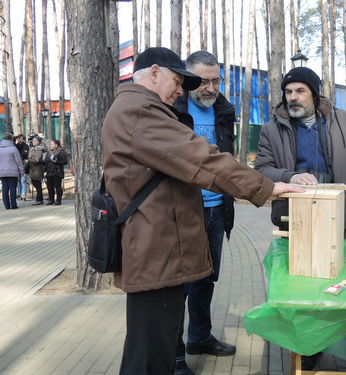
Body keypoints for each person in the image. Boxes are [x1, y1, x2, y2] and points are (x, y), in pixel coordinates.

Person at [102, 47, 302, 375]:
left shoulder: (137, 107)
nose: (181, 90)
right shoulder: (141, 111)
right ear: (154, 73)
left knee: (151, 344)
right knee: (151, 350)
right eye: (177, 81)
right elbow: (200, 158)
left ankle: (194, 342)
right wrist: (266, 187)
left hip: (158, 243)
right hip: (156, 246)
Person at [254, 67, 346, 373]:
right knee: (307, 293)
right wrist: (290, 176)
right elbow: (262, 169)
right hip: (296, 223)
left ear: (314, 95)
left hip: (340, 220)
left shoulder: (344, 122)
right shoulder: (271, 129)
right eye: (288, 92)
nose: (293, 98)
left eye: (300, 91)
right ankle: (309, 349)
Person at [173, 51, 236, 375]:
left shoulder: (225, 110)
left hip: (215, 211)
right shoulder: (174, 108)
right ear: (188, 80)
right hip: (183, 212)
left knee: (206, 280)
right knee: (180, 285)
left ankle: (199, 337)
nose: (210, 88)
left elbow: (228, 160)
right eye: (204, 81)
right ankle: (175, 356)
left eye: (216, 80)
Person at [0, 132, 24, 209]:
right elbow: (19, 162)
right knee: (13, 188)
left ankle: (7, 205)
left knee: (4, 188)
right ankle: (14, 205)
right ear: (11, 139)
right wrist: (21, 171)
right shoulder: (13, 148)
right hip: (13, 172)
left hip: (2, 172)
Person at [44, 139, 68, 205]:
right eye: (50, 144)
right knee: (49, 187)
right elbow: (45, 162)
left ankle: (58, 200)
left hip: (57, 172)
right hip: (49, 172)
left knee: (57, 187)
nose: (50, 146)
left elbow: (65, 161)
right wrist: (45, 171)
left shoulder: (60, 152)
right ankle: (51, 200)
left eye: (52, 144)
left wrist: (57, 162)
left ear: (56, 145)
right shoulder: (49, 152)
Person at [28, 136, 46, 205]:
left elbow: (37, 159)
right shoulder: (32, 148)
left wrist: (28, 160)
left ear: (39, 142)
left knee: (37, 185)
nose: (34, 142)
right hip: (32, 169)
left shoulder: (38, 149)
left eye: (36, 140)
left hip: (37, 170)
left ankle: (39, 199)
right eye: (33, 140)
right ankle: (39, 199)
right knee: (36, 184)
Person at [15, 134, 30, 200]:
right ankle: (20, 193)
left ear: (23, 139)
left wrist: (19, 157)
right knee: (18, 180)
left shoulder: (26, 146)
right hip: (16, 165)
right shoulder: (15, 146)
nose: (19, 139)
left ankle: (24, 193)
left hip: (24, 164)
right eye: (18, 138)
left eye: (21, 138)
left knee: (23, 180)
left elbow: (24, 154)